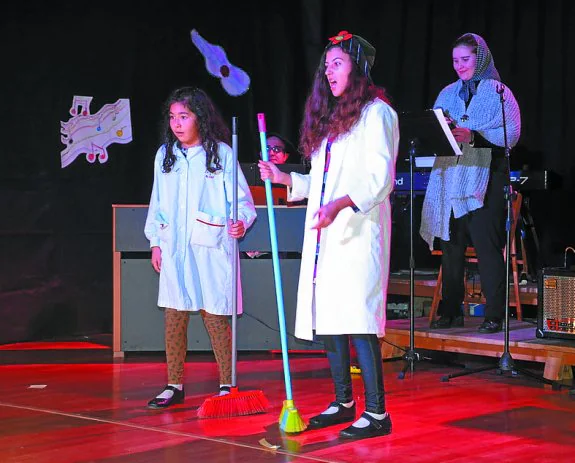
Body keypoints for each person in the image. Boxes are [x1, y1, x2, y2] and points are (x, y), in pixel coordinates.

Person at [259, 30, 399, 440]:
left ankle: (377, 412)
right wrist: (286, 178)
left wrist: (337, 206)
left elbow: (379, 180)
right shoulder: (333, 122)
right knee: (332, 318)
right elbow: (320, 181)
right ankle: (344, 401)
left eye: (337, 62)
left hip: (357, 230)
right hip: (327, 235)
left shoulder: (377, 114)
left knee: (358, 318)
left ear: (358, 66)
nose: (329, 70)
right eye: (326, 65)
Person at [144, 87, 256, 408]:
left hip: (210, 247)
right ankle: (174, 384)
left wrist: (240, 221)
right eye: (173, 117)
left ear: (200, 118)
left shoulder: (220, 153)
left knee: (215, 315)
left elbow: (243, 202)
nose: (177, 124)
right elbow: (158, 203)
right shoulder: (165, 155)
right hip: (174, 247)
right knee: (175, 314)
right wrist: (155, 242)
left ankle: (226, 384)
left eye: (184, 116)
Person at [420, 33, 521, 334]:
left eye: (465, 59)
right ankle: (451, 310)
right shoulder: (447, 92)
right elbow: (434, 127)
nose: (460, 66)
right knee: (451, 246)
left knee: (486, 246)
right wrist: (446, 131)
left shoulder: (499, 92)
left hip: (487, 175)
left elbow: (511, 134)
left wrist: (473, 135)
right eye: (455, 61)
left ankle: (494, 314)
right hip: (451, 177)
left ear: (480, 59)